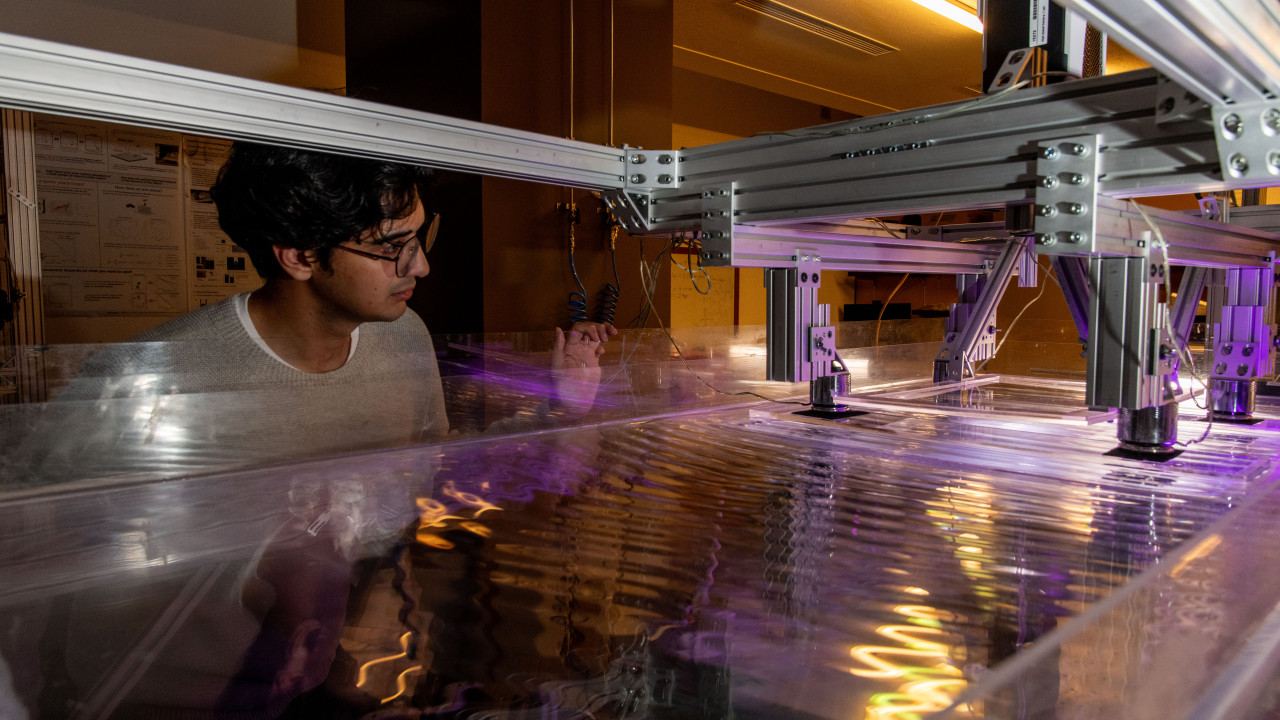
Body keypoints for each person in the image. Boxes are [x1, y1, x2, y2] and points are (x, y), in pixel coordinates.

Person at [9, 142, 616, 719]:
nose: (422, 265)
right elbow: (33, 550)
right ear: (298, 255)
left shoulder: (402, 337)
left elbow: (425, 477)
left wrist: (561, 408)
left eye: (421, 236)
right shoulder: (151, 375)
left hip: (330, 683)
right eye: (392, 247)